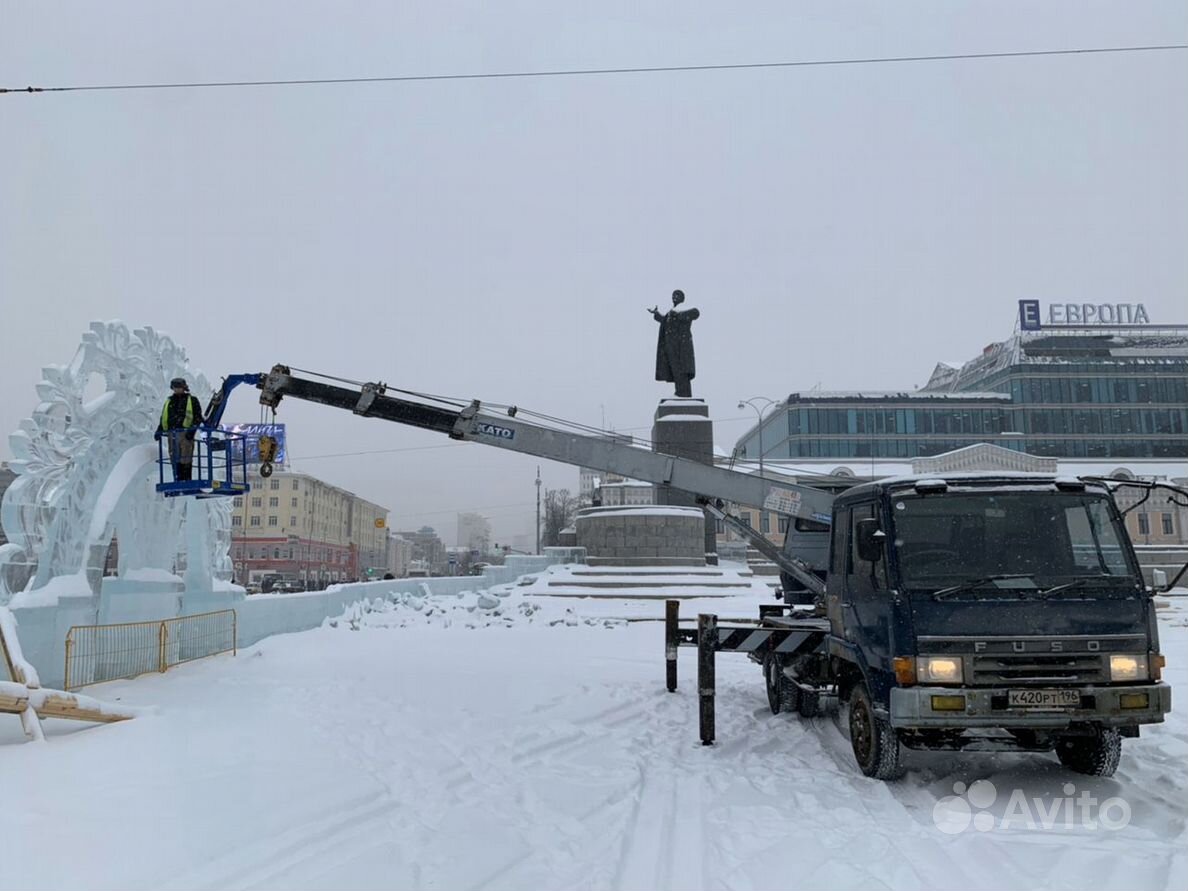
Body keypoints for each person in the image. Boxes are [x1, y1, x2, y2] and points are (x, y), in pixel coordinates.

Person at [648, 289, 700, 398]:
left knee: (682, 372)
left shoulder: (682, 309)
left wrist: (679, 314)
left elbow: (696, 313)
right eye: (673, 296)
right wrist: (656, 314)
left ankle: (684, 394)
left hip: (682, 348)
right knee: (676, 371)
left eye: (677, 295)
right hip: (671, 347)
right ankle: (680, 392)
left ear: (682, 298)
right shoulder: (671, 313)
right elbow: (664, 320)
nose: (674, 298)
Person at [155, 377, 204, 481]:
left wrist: (192, 431)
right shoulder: (169, 401)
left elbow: (198, 417)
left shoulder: (192, 400)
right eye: (175, 387)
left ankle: (186, 480)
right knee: (174, 457)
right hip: (172, 433)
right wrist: (159, 430)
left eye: (179, 387)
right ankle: (177, 479)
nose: (177, 390)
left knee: (185, 458)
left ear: (184, 388)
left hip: (185, 433)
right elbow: (164, 417)